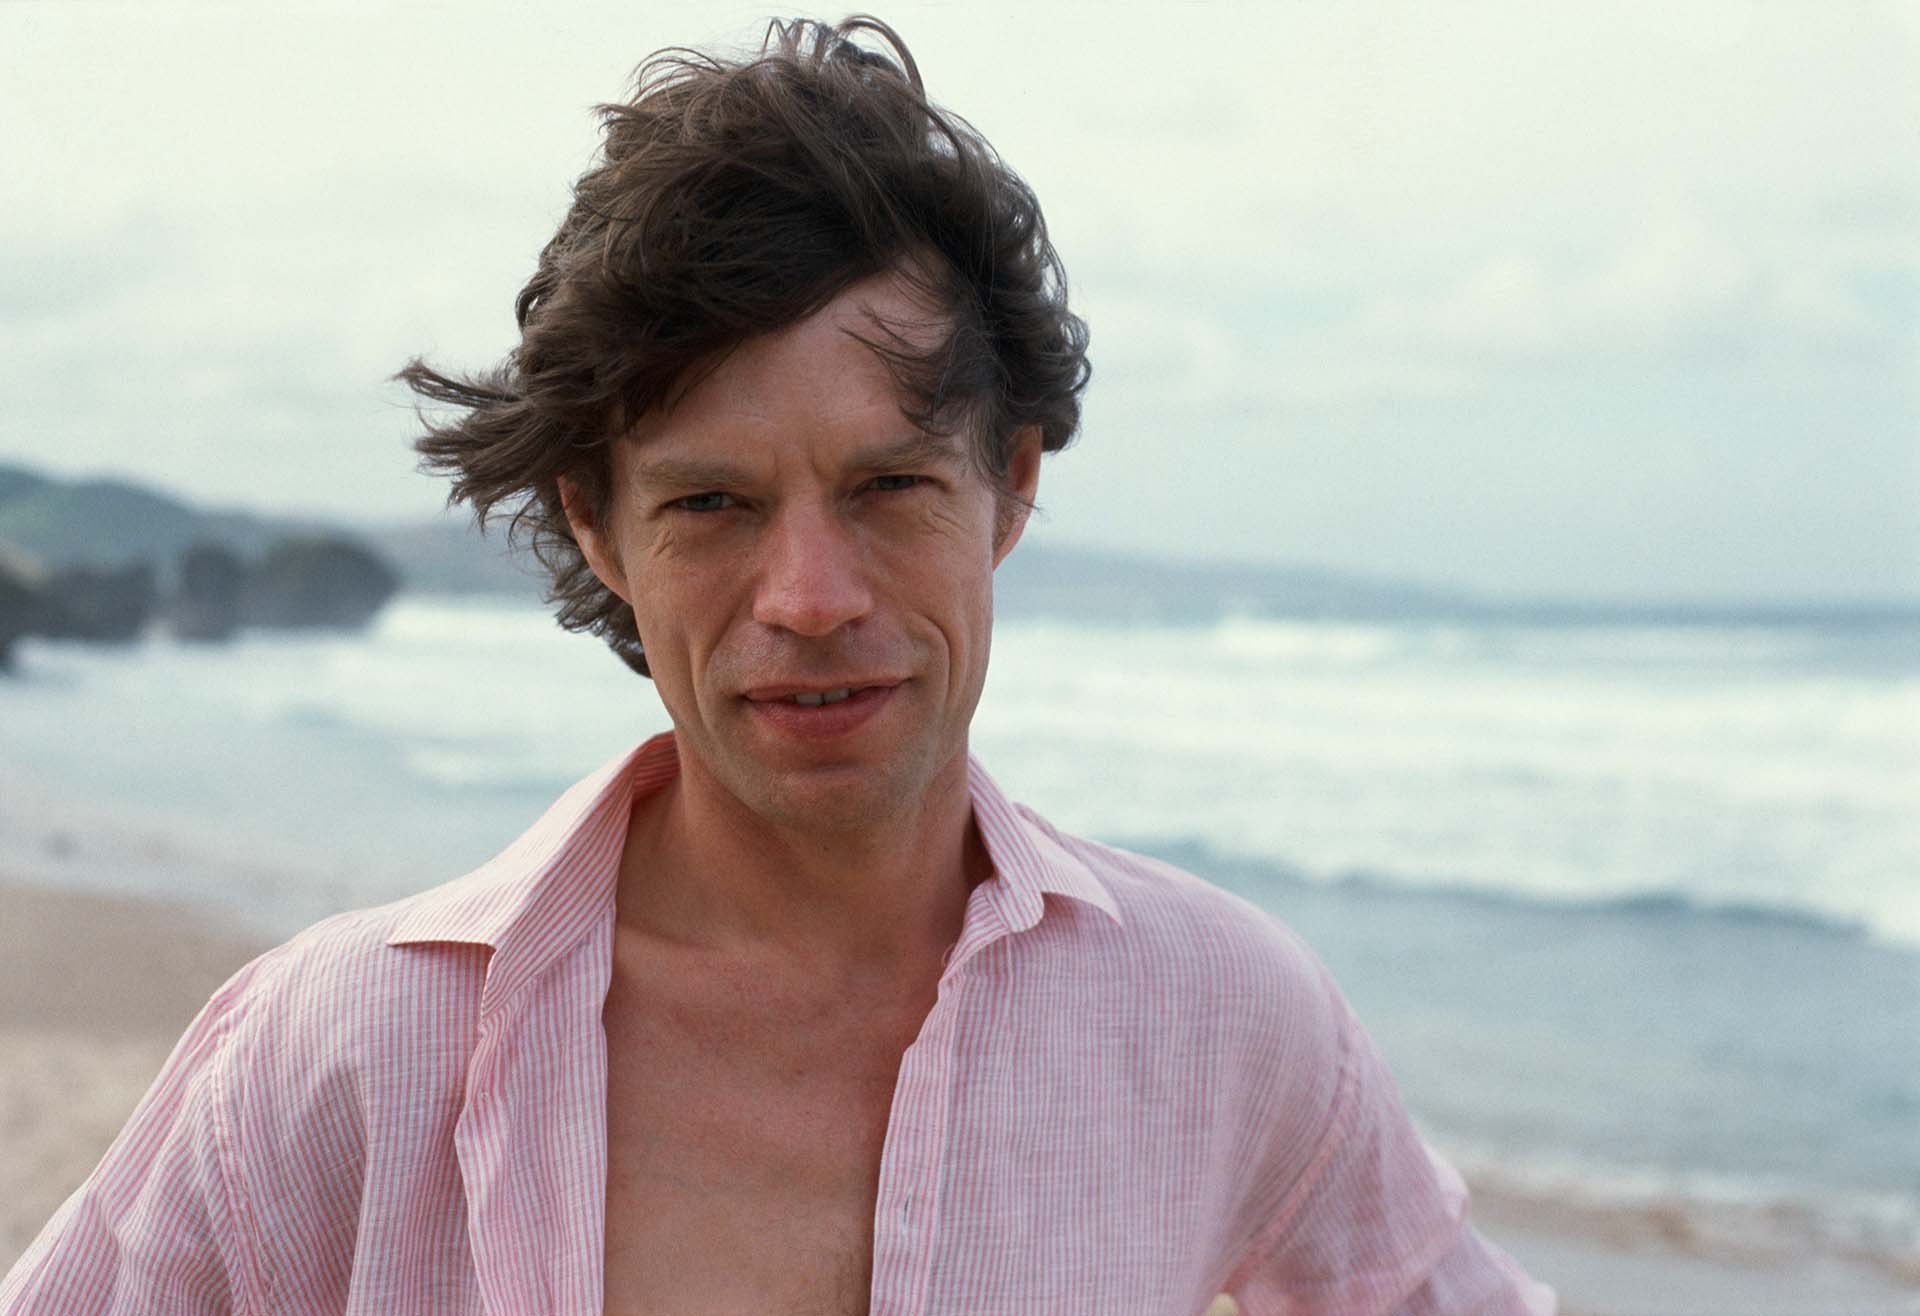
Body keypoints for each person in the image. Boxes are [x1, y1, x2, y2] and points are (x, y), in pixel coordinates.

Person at [3, 16, 1555, 1315]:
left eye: (888, 490)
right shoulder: (342, 1050)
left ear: (1010, 487)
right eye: (713, 505)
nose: (809, 599)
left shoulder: (1221, 1016)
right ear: (600, 531)